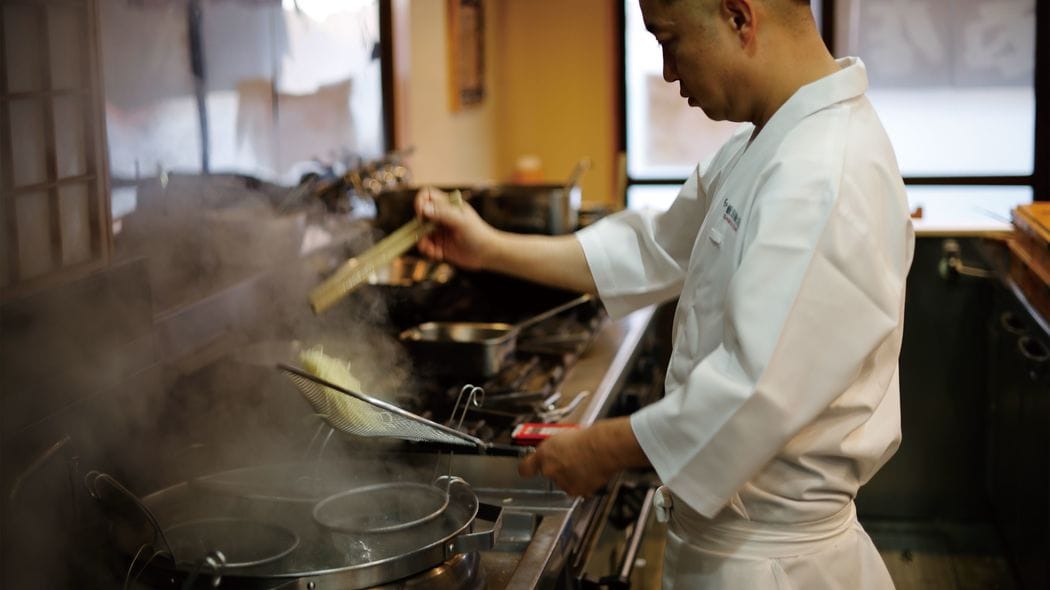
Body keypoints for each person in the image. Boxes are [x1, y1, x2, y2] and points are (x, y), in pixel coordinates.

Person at [414, 0, 913, 587]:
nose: (668, 71)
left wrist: (603, 448)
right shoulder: (771, 140)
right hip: (732, 549)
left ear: (738, 16)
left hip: (774, 566)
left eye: (669, 39)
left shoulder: (824, 170)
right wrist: (490, 248)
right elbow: (652, 248)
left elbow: (755, 392)